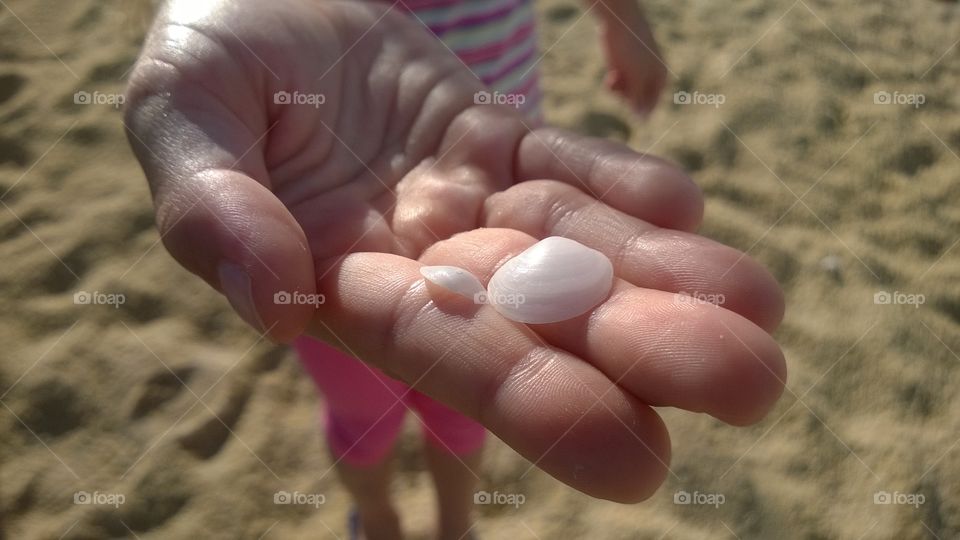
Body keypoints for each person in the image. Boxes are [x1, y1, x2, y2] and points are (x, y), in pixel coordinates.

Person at [124, 1, 787, 538]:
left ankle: (453, 525)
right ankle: (378, 517)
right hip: (333, 218)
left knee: (467, 414)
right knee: (363, 414)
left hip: (500, 165)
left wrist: (622, 16)